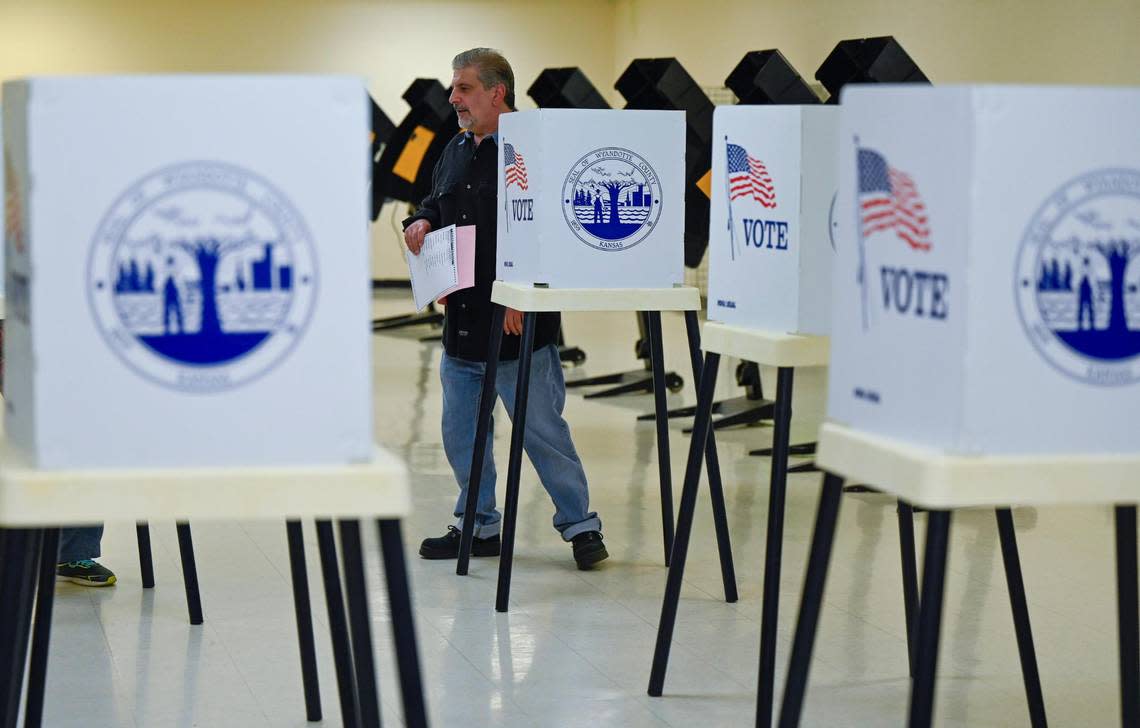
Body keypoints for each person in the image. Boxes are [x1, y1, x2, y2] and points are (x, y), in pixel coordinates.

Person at [403, 48, 607, 570]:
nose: (454, 98)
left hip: (520, 324)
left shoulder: (535, 150)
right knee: (462, 436)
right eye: (454, 88)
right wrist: (422, 220)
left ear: (498, 92)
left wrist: (524, 290)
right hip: (464, 323)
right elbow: (437, 199)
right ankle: (479, 526)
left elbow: (559, 228)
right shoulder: (455, 148)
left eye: (464, 88)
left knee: (542, 432)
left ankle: (581, 526)